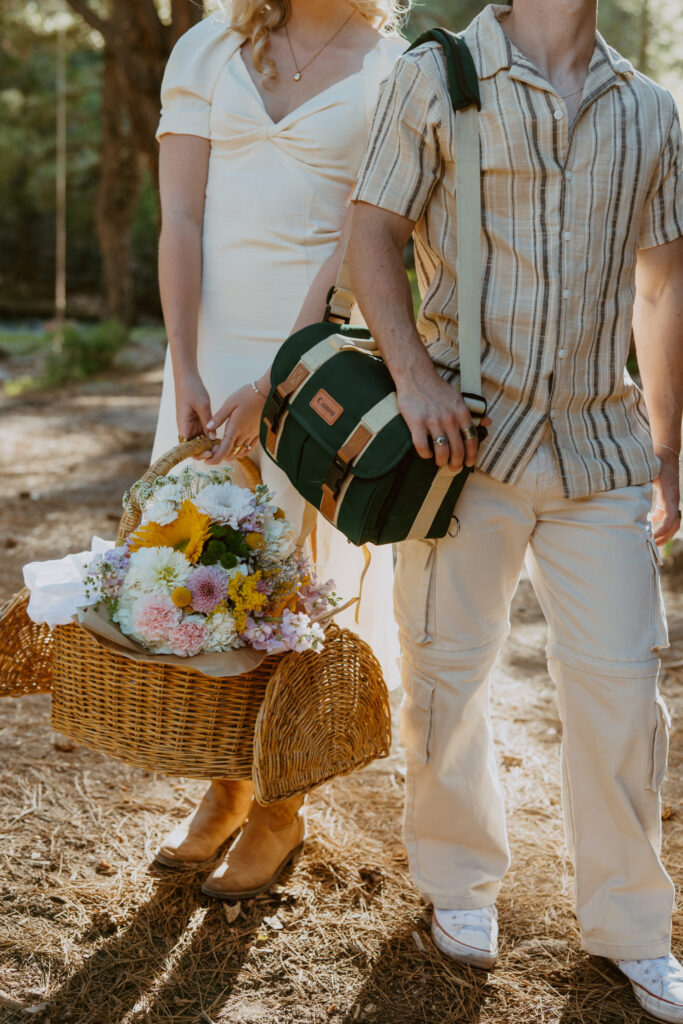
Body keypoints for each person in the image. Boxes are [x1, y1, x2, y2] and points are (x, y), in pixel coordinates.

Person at [347, 1, 683, 1020]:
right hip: (463, 445)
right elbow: (369, 232)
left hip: (599, 446)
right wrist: (413, 379)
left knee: (625, 692)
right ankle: (457, 883)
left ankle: (630, 925)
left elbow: (660, 288)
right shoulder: (433, 75)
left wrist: (667, 445)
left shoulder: (651, 111)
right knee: (445, 676)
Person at [151, 0, 407, 900]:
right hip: (210, 344)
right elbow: (180, 215)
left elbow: (359, 236)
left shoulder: (393, 66)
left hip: (316, 352)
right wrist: (183, 362)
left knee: (293, 583)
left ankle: (280, 808)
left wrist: (282, 374)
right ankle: (225, 787)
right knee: (208, 574)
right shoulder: (208, 44)